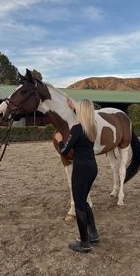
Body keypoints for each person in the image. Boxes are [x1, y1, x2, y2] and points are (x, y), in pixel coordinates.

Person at [54, 98, 99, 253]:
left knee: (79, 205)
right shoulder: (93, 127)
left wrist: (60, 141)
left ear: (81, 111)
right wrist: (74, 106)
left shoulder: (77, 129)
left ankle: (85, 243)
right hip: (93, 167)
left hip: (81, 170)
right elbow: (83, 111)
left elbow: (65, 152)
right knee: (84, 201)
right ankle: (93, 234)